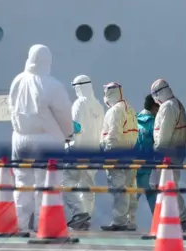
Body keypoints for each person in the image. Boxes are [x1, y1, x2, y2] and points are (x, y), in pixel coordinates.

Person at [8, 44, 74, 232]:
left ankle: (19, 225)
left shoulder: (17, 81)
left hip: (19, 139)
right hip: (46, 141)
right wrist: (69, 135)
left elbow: (11, 107)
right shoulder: (52, 85)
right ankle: (45, 225)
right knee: (47, 185)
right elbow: (64, 114)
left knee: (23, 185)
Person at [63, 75, 105, 230]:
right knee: (88, 186)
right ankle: (86, 217)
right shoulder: (99, 106)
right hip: (94, 152)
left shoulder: (79, 104)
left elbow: (76, 128)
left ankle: (79, 212)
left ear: (79, 87)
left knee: (66, 182)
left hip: (79, 151)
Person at [151, 79, 186, 231]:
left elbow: (164, 136)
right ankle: (175, 219)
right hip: (174, 154)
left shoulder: (168, 107)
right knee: (168, 186)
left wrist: (156, 152)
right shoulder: (176, 104)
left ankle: (180, 219)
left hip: (166, 155)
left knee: (167, 186)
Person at [100, 82, 139, 231]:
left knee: (119, 189)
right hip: (131, 153)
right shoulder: (129, 109)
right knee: (130, 188)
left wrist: (109, 154)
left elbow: (113, 134)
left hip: (116, 154)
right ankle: (130, 220)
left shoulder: (115, 111)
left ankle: (119, 221)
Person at [135, 94, 159, 214]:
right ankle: (158, 219)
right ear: (154, 107)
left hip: (134, 163)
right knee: (150, 194)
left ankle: (127, 219)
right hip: (148, 165)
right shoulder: (154, 123)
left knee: (136, 191)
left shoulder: (135, 120)